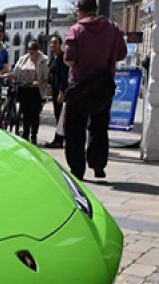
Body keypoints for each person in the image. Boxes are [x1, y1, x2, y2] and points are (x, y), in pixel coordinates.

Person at [63, 0, 127, 180]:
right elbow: (121, 53)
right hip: (104, 86)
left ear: (79, 10)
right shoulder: (113, 29)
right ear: (96, 9)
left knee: (75, 129)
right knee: (99, 127)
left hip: (80, 87)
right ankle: (98, 164)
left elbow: (69, 59)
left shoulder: (75, 30)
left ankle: (77, 169)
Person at [8, 41, 49, 144]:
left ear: (37, 49)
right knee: (25, 113)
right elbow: (16, 72)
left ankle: (34, 135)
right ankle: (25, 134)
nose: (31, 51)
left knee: (34, 114)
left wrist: (38, 82)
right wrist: (8, 75)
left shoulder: (43, 60)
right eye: (29, 49)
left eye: (34, 49)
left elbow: (46, 77)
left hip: (36, 90)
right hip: (23, 88)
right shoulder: (23, 59)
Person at [44, 35, 69, 148]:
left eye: (55, 43)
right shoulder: (53, 58)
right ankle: (58, 138)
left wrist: (61, 92)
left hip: (60, 91)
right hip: (53, 90)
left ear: (60, 44)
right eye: (51, 43)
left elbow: (64, 76)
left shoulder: (63, 58)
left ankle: (60, 140)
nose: (52, 45)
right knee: (57, 116)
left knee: (60, 116)